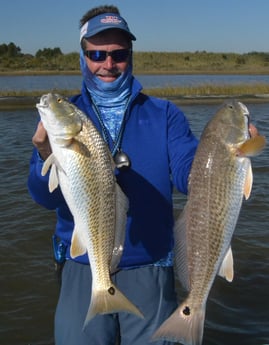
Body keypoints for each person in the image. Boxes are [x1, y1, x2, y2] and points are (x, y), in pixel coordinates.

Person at [27, 5, 198, 345]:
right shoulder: (64, 119)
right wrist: (45, 154)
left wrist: (220, 160)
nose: (108, 64)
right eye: (97, 53)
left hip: (151, 266)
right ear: (83, 56)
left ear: (130, 55)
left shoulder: (165, 114)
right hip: (82, 262)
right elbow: (43, 198)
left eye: (118, 54)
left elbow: (186, 173)